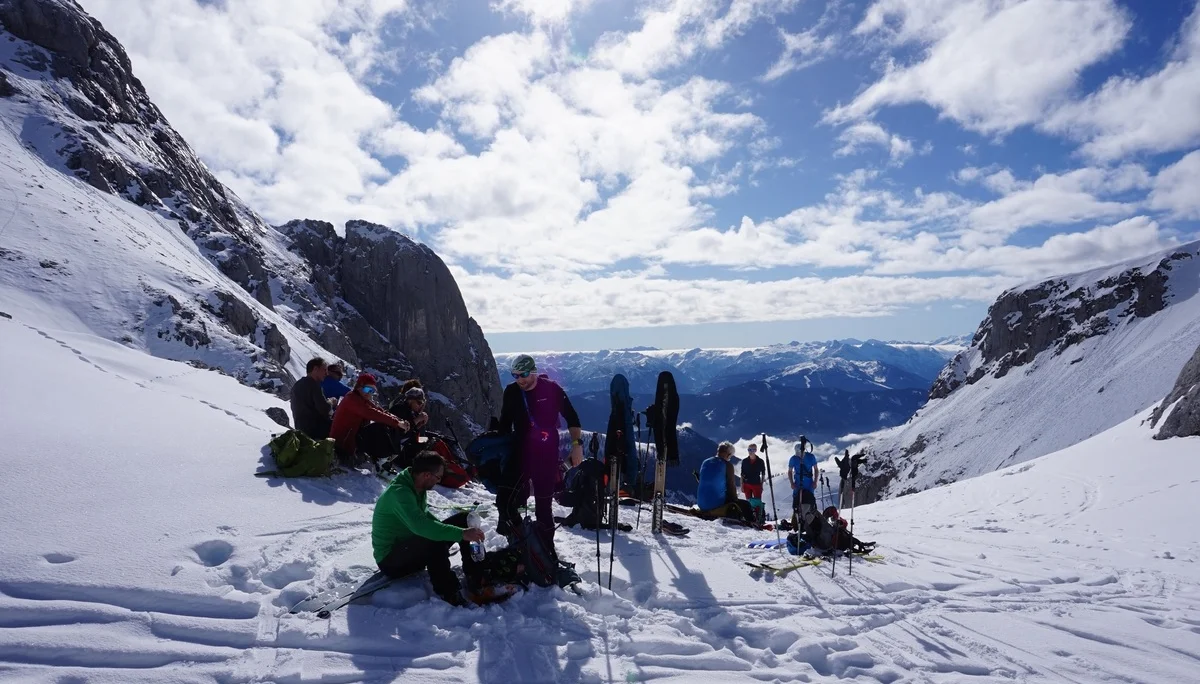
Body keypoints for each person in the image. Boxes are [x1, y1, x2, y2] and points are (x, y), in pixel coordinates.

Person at [371, 452, 486, 606]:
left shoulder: (416, 487)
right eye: (438, 477)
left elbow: (425, 517)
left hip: (408, 547)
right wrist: (460, 534)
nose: (439, 481)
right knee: (431, 537)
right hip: (390, 561)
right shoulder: (400, 493)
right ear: (426, 475)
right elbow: (423, 527)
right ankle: (449, 592)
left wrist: (457, 531)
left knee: (464, 518)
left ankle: (475, 576)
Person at [496, 354, 583, 545]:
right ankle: (519, 542)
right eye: (515, 375)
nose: (520, 379)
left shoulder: (552, 389)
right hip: (520, 451)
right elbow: (504, 425)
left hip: (546, 452)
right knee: (507, 499)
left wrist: (577, 447)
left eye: (524, 374)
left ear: (533, 371)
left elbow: (573, 418)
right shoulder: (511, 392)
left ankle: (545, 551)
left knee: (544, 505)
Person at [330, 373, 409, 466]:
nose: (369, 393)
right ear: (359, 386)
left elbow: (380, 410)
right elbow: (372, 413)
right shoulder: (352, 399)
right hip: (341, 445)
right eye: (367, 389)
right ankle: (380, 459)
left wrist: (399, 420)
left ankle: (379, 458)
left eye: (372, 391)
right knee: (379, 427)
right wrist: (397, 423)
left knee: (384, 424)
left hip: (350, 441)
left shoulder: (361, 398)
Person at [697, 441, 755, 521]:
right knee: (746, 504)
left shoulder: (705, 462)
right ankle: (753, 523)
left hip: (701, 504)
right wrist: (735, 500)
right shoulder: (727, 465)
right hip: (715, 504)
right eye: (730, 456)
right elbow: (731, 485)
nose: (729, 458)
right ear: (728, 454)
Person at [289, 357, 331, 439]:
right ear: (315, 369)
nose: (327, 373)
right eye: (324, 370)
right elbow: (324, 409)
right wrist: (331, 402)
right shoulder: (314, 385)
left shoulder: (297, 385)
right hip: (315, 430)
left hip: (301, 429)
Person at [788, 439, 819, 524]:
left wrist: (815, 481)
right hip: (798, 482)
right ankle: (797, 519)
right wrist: (791, 483)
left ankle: (809, 520)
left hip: (809, 483)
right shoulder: (793, 459)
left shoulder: (811, 457)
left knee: (809, 500)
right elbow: (789, 471)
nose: (798, 455)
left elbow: (816, 469)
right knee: (796, 500)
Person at [740, 442, 767, 523]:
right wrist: (742, 485)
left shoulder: (760, 461)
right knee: (748, 502)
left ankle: (759, 519)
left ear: (756, 450)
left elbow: (763, 474)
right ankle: (749, 518)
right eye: (749, 449)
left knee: (757, 502)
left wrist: (761, 484)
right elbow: (742, 474)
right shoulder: (744, 461)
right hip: (746, 484)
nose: (751, 451)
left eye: (753, 449)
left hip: (756, 484)